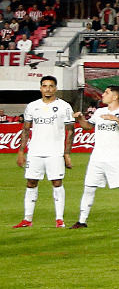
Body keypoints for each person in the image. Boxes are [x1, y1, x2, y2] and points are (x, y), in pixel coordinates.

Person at [71, 87, 119, 228]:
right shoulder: (100, 112)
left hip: (116, 158)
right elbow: (87, 126)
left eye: (106, 92)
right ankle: (82, 221)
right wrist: (80, 118)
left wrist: (116, 119)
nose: (103, 94)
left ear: (115, 97)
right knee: (89, 188)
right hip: (97, 157)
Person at [16, 75, 78, 228]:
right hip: (35, 151)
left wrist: (67, 153)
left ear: (55, 88)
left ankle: (59, 219)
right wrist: (21, 151)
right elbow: (26, 130)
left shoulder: (64, 107)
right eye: (45, 86)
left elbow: (71, 131)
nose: (48, 89)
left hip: (55, 152)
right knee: (31, 182)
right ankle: (27, 219)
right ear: (40, 88)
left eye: (51, 86)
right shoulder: (32, 106)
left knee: (57, 182)